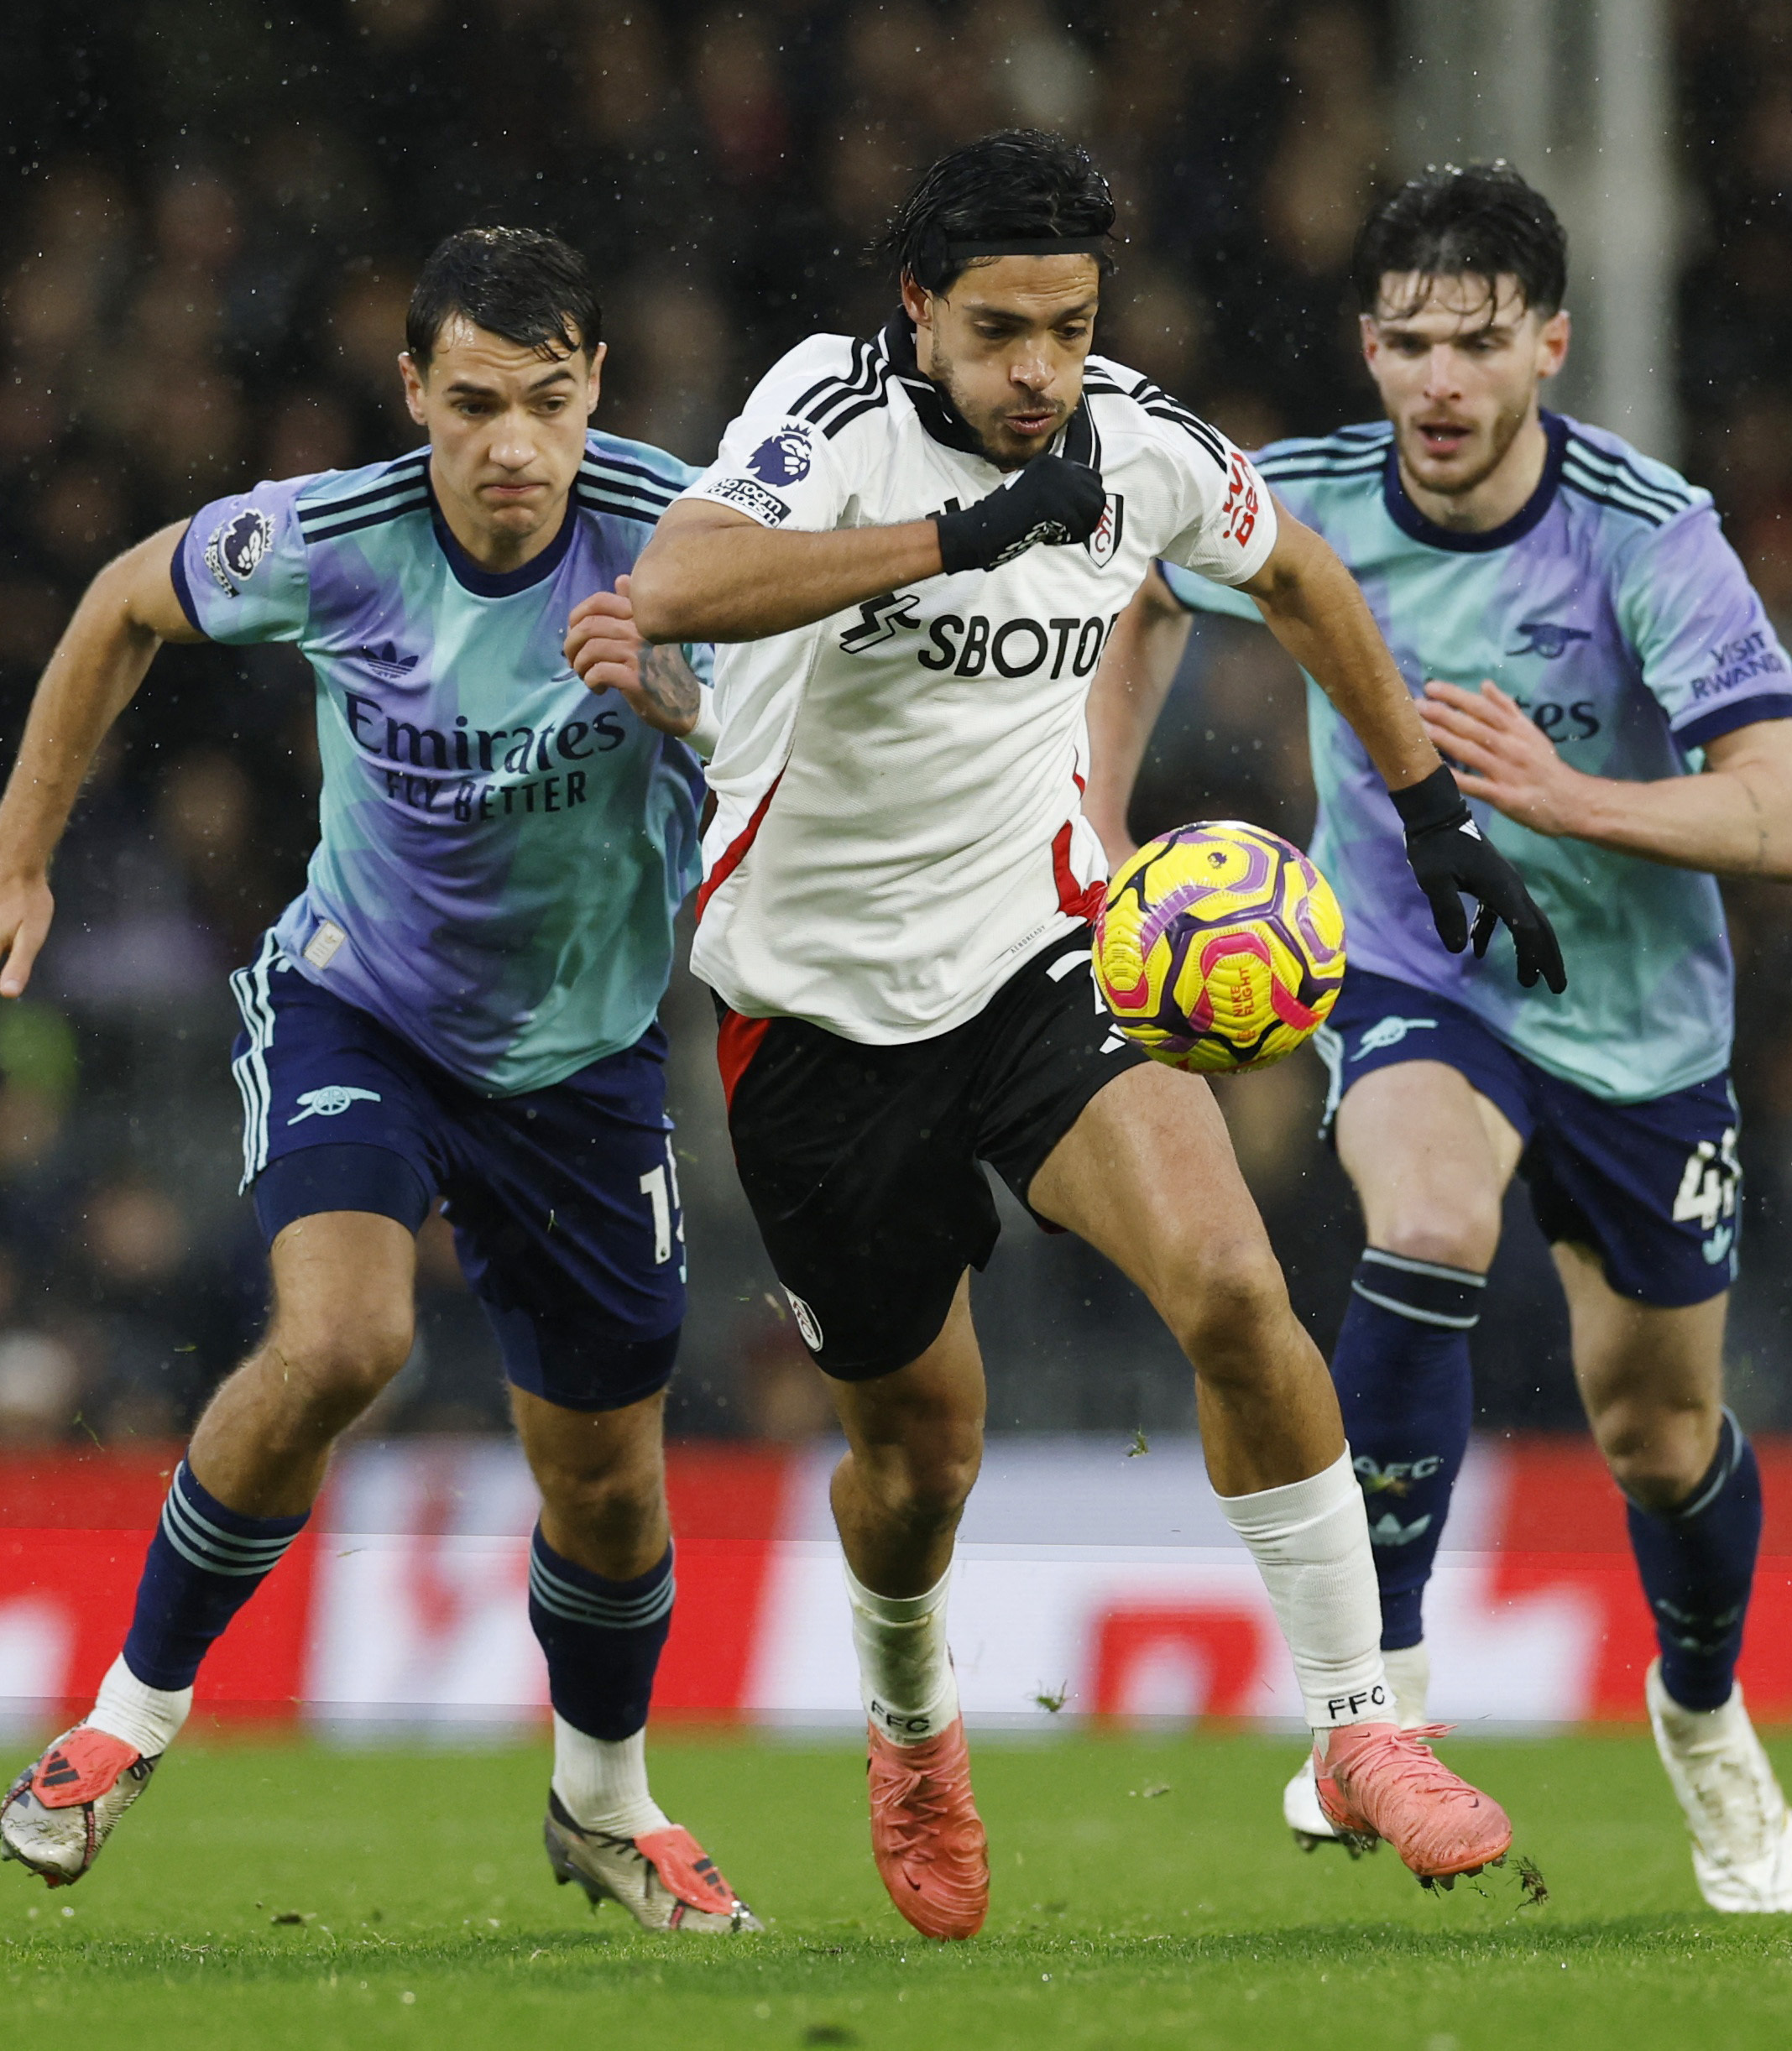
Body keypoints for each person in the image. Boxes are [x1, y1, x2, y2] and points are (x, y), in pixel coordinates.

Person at [626, 130, 1559, 1940]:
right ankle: (913, 1723)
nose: (1038, 370)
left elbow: (1301, 579)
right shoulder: (828, 413)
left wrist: (1427, 800)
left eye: (1067, 325)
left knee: (1234, 1288)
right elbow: (675, 585)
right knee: (921, 1461)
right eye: (998, 330)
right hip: (813, 1021)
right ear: (919, 309)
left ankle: (1362, 1725)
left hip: (1045, 960)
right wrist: (959, 538)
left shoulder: (1138, 443)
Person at [0, 227, 760, 1932]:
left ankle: (605, 1803)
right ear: (412, 394)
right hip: (359, 1011)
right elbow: (121, 600)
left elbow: (818, 752)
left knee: (606, 1475)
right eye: (473, 403)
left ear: (597, 385)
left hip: (588, 1058)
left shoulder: (692, 535)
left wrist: (683, 698)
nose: (514, 444)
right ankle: (122, 1722)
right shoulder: (329, 536)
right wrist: (13, 859)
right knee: (343, 1340)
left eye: (548, 401)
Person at [1089, 164, 1792, 1914]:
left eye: (1478, 345)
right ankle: (1382, 1700)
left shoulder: (1647, 532)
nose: (1439, 380)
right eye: (1408, 342)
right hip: (1419, 974)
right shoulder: (1305, 500)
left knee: (1659, 1436)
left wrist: (1569, 797)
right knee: (1423, 1222)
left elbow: (1785, 819)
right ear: (1367, 345)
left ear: (1549, 347)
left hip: (1637, 1030)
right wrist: (1092, 826)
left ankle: (1702, 1711)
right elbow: (1155, 595)